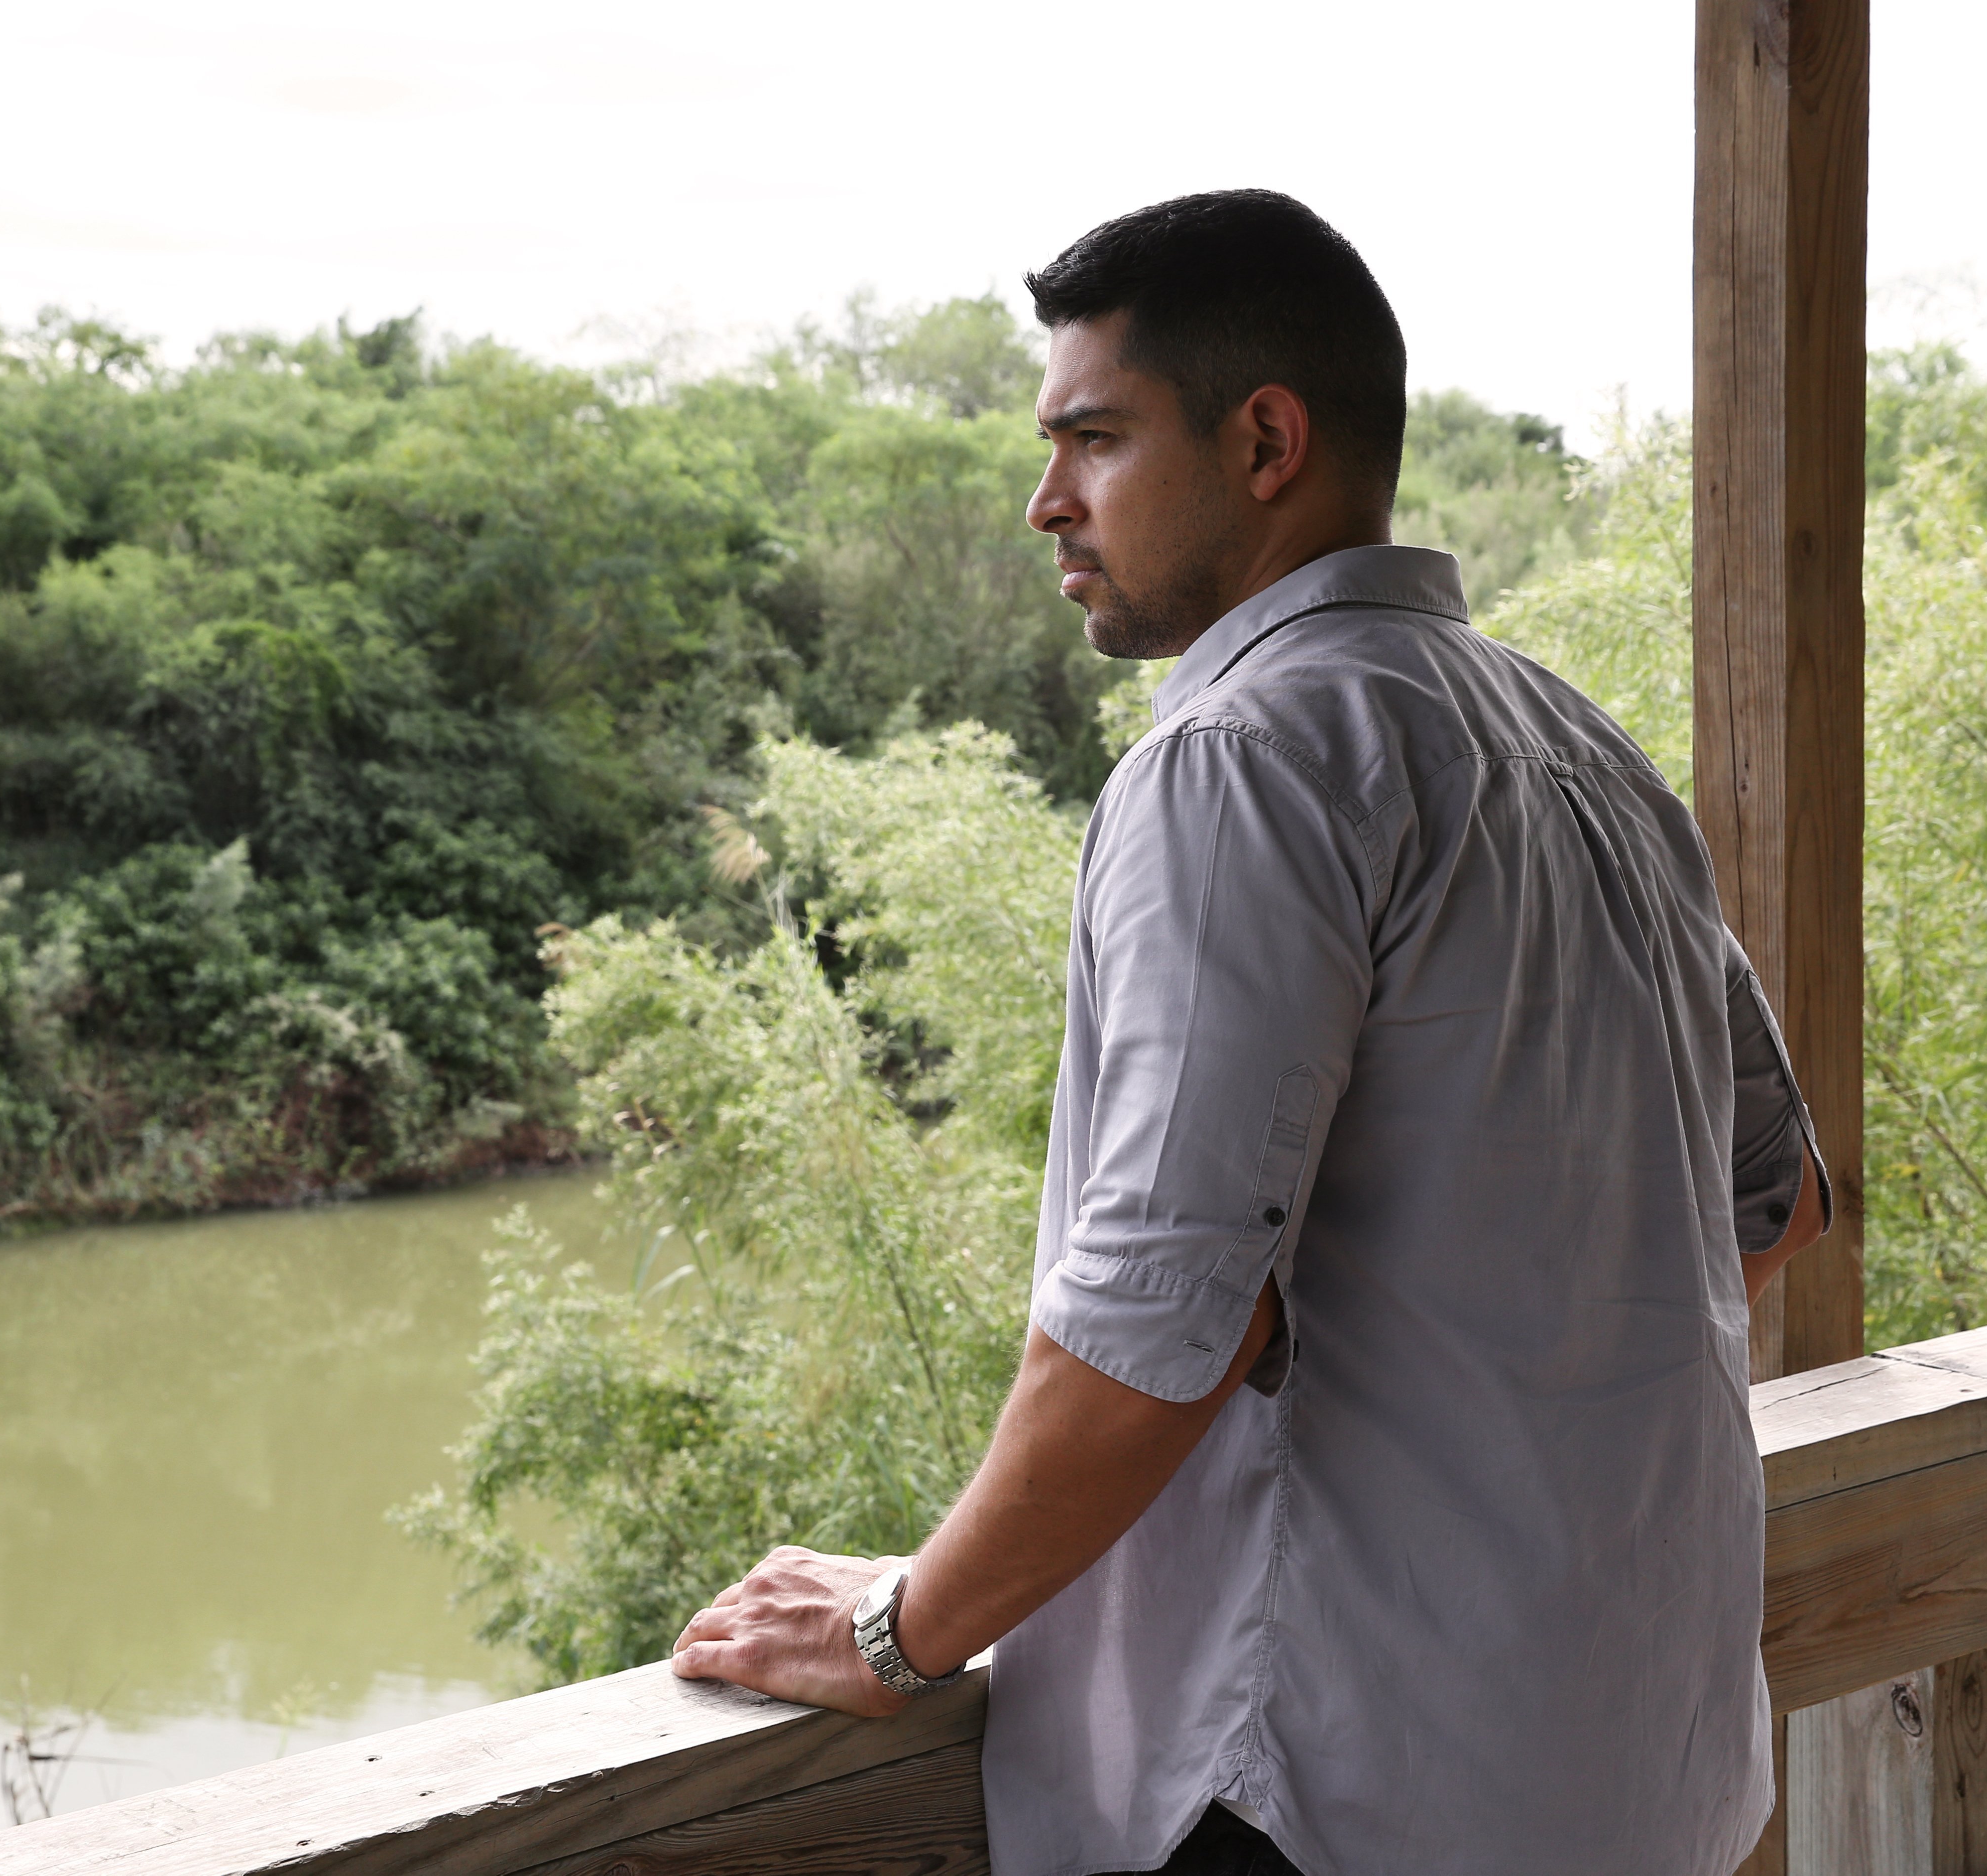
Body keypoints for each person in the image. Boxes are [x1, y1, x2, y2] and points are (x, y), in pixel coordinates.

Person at [670, 189, 1831, 1876]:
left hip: (1332, 1795)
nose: (1042, 499)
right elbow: (1772, 1204)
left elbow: (1158, 1319)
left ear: (1265, 438)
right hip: (1636, 1767)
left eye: (1093, 437)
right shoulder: (1584, 753)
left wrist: (897, 1630)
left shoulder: (1241, 757)